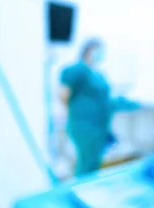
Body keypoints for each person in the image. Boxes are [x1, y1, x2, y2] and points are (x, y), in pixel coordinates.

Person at [59, 39, 140, 176]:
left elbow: (106, 100)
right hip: (85, 127)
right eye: (98, 50)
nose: (101, 54)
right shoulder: (79, 69)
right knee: (86, 165)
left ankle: (87, 190)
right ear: (89, 50)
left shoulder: (98, 75)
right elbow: (63, 95)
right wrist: (76, 115)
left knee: (94, 163)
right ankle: (81, 191)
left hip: (99, 128)